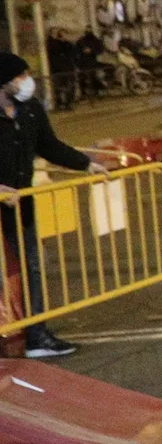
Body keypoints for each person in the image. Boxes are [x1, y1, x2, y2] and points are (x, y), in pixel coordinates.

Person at [0, 53, 108, 358]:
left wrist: (86, 164)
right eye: (21, 75)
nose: (27, 81)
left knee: (32, 268)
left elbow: (49, 145)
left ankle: (36, 335)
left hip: (21, 208)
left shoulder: (30, 110)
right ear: (4, 81)